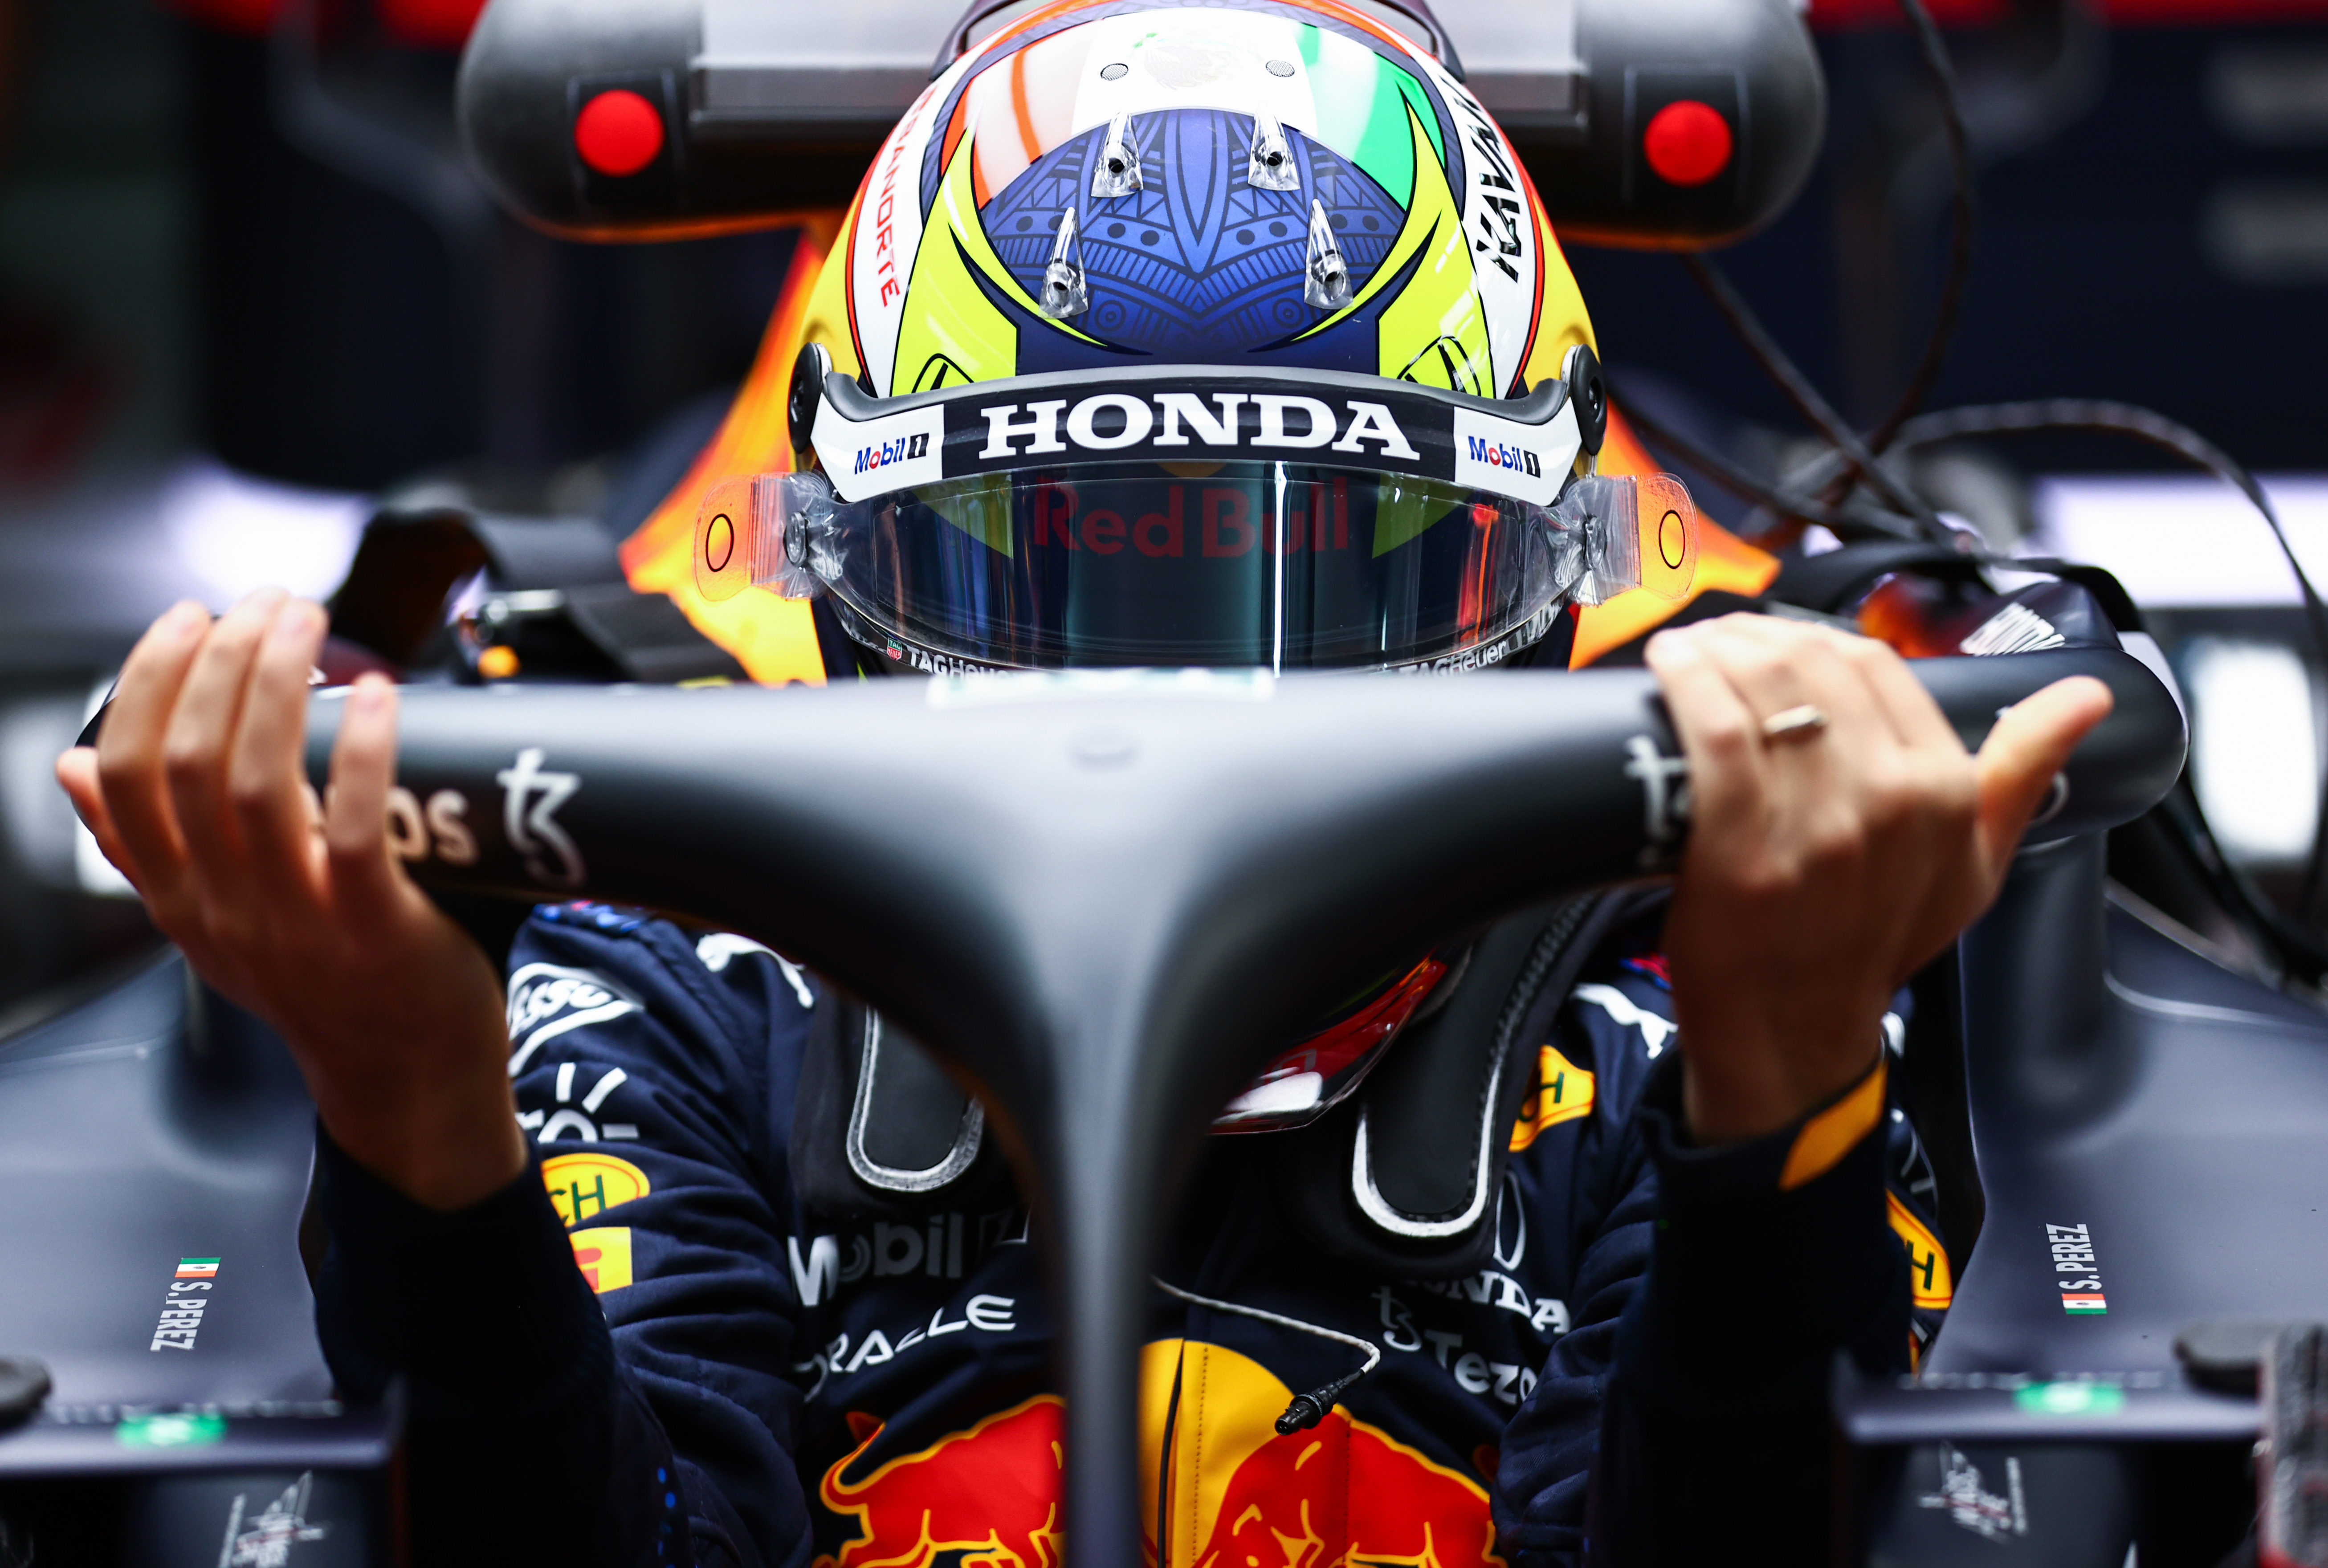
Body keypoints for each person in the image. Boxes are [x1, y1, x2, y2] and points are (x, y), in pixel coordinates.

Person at [56, 4, 2113, 1562]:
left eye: (1312, 571)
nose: (1181, 720)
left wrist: (1774, 1102)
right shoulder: (681, 994)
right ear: (847, 569)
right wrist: (414, 1106)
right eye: (1073, 567)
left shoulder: (1682, 988)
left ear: (1541, 569)